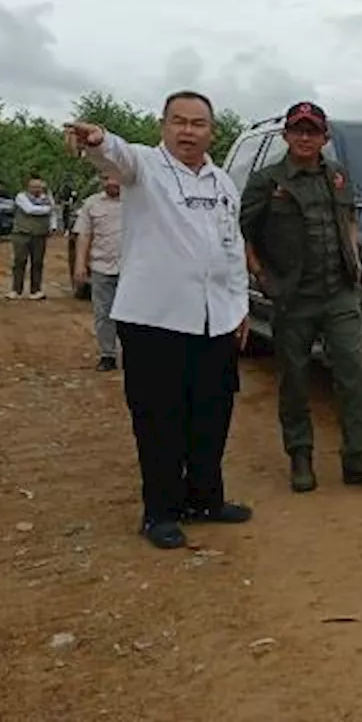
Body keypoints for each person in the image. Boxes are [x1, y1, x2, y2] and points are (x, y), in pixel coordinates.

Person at [64, 91, 252, 550]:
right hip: (155, 320)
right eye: (179, 122)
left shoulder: (222, 182)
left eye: (199, 123)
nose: (188, 131)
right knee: (159, 419)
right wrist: (96, 139)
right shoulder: (144, 168)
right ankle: (160, 512)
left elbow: (232, 245)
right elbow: (115, 153)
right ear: (163, 126)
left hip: (215, 320)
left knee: (212, 413)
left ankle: (205, 498)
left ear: (213, 131)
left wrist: (240, 305)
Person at [239, 101, 362, 493]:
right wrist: (260, 276)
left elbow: (350, 220)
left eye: (313, 131)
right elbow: (243, 232)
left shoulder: (338, 177)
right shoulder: (267, 181)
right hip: (293, 296)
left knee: (354, 373)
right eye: (298, 130)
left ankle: (358, 456)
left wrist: (354, 263)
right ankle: (300, 457)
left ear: (324, 137)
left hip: (339, 293)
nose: (305, 137)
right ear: (286, 136)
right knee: (295, 379)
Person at [73, 174, 124, 371]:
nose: (112, 182)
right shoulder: (92, 204)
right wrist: (80, 264)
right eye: (106, 178)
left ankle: (134, 354)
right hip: (101, 266)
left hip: (132, 269)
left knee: (133, 315)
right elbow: (84, 235)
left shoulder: (138, 201)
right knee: (103, 312)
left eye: (115, 178)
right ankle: (107, 354)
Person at [6, 176, 54, 300]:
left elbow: (53, 212)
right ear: (28, 187)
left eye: (38, 186)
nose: (36, 189)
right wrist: (47, 209)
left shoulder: (47, 197)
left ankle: (36, 290)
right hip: (22, 234)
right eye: (33, 187)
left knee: (37, 262)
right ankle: (16, 290)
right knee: (19, 261)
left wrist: (53, 226)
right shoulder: (21, 197)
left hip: (40, 234)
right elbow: (30, 209)